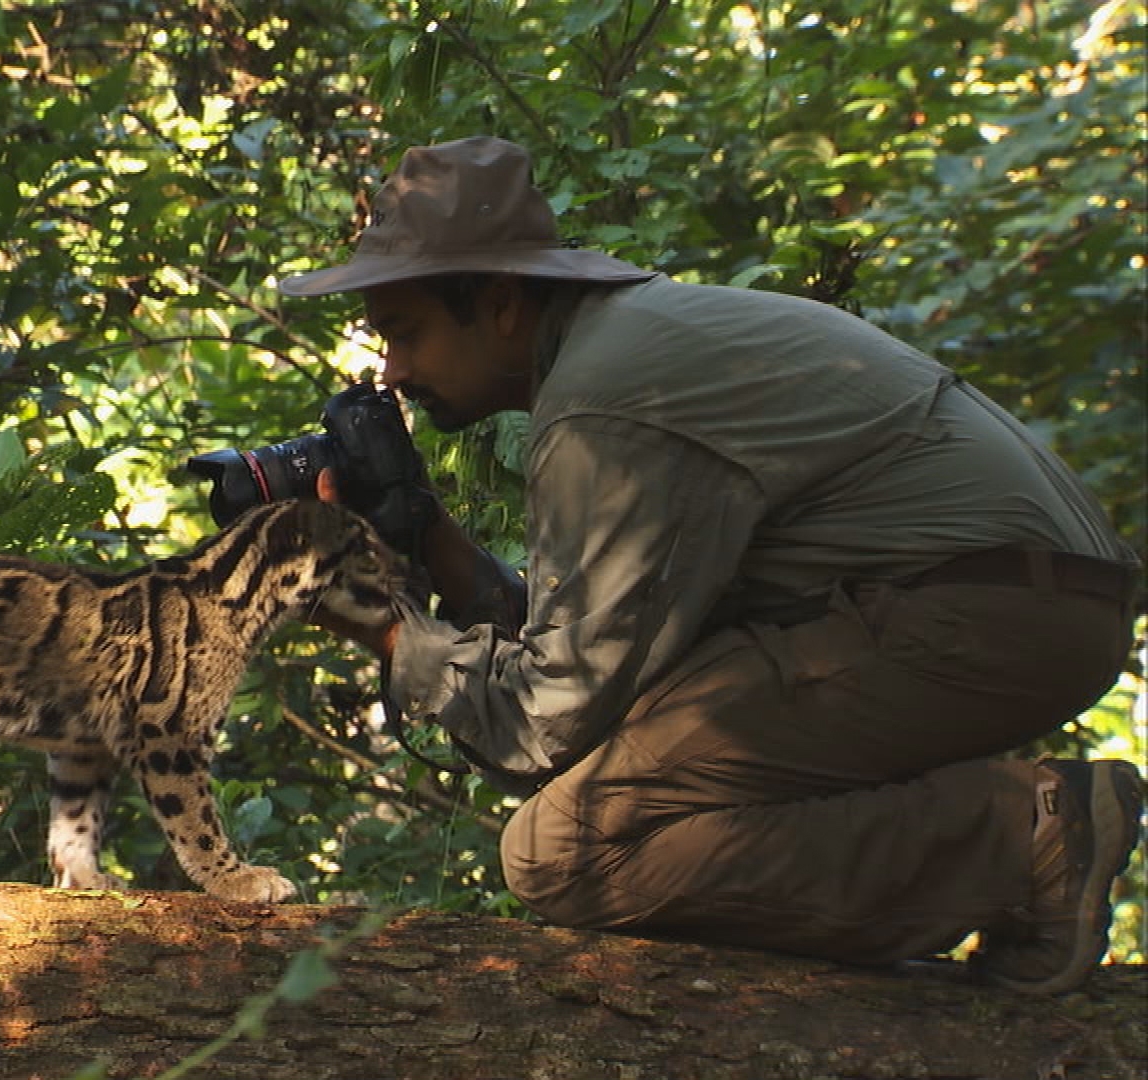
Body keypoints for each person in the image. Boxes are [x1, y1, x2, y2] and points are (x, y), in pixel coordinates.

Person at [284, 135, 1143, 993]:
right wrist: (430, 543)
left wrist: (390, 633)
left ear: (502, 300)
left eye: (407, 333)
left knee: (567, 851)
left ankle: (1020, 844)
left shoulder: (605, 407)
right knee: (619, 783)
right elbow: (592, 659)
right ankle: (1008, 862)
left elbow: (548, 721)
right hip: (1022, 601)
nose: (393, 372)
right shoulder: (627, 350)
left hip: (980, 613)